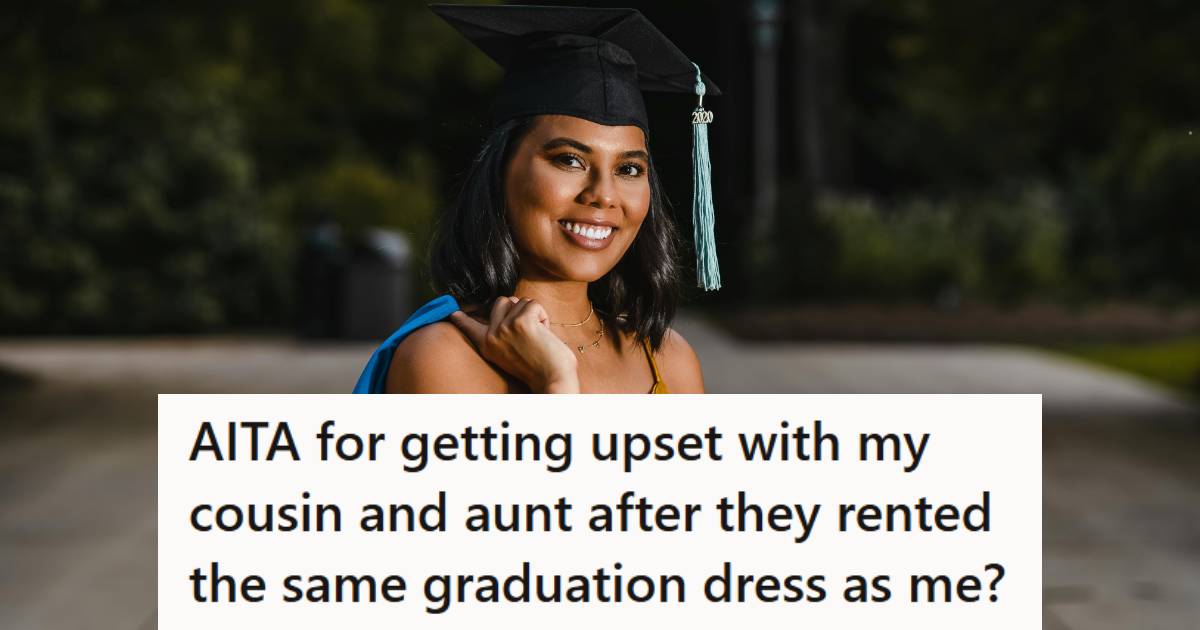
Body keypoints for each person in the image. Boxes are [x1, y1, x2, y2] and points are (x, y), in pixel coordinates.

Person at [353, 4, 722, 394]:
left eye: (628, 169)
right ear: (501, 172)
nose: (603, 195)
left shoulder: (669, 360)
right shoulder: (443, 358)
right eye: (569, 160)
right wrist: (555, 382)